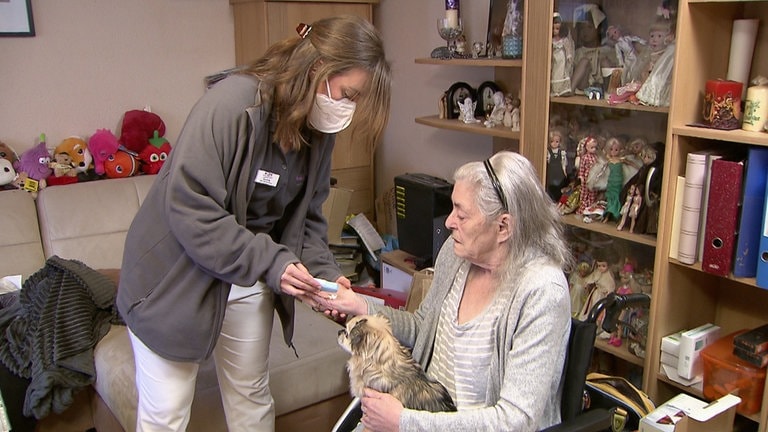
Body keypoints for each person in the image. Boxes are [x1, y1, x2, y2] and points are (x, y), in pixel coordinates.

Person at [116, 15, 392, 432]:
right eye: (348, 94)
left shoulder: (319, 131)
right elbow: (192, 208)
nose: (348, 109)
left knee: (251, 395)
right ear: (318, 67)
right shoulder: (231, 105)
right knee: (167, 412)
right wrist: (274, 263)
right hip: (177, 273)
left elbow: (308, 221)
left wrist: (324, 277)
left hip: (248, 268)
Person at [315, 151, 572, 431]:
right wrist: (359, 305)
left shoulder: (542, 292)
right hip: (423, 410)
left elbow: (516, 420)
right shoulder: (456, 253)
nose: (449, 223)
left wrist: (405, 421)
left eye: (461, 215)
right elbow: (422, 327)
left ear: (503, 226)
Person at [550, 12, 575, 96]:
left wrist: (569, 56)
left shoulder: (564, 40)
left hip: (561, 58)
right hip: (554, 58)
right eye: (553, 29)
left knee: (561, 71)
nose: (555, 31)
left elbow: (567, 48)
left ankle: (562, 89)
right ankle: (555, 88)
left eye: (557, 28)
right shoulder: (552, 40)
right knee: (555, 72)